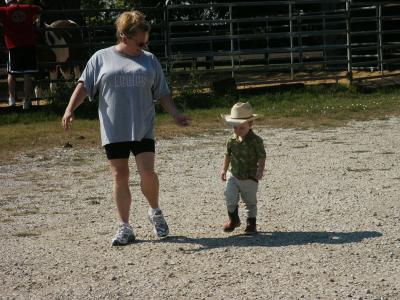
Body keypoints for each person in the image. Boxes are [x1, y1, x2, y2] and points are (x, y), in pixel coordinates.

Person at [62, 11, 190, 246]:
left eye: (146, 41)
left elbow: (162, 92)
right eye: (140, 41)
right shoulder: (101, 58)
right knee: (120, 175)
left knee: (147, 173)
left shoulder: (149, 60)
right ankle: (125, 227)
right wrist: (70, 109)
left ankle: (155, 211)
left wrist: (175, 114)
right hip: (114, 128)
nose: (145, 45)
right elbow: (84, 86)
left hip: (142, 125)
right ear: (123, 36)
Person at [220, 102, 266, 234]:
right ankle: (233, 220)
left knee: (250, 201)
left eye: (241, 128)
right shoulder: (231, 140)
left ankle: (251, 223)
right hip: (233, 175)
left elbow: (262, 156)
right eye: (235, 127)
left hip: (250, 176)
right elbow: (227, 155)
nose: (237, 131)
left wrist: (260, 170)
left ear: (250, 125)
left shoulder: (256, 141)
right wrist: (224, 169)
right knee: (229, 196)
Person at [0, 0, 41, 109]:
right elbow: (38, 9)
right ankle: (26, 102)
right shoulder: (27, 7)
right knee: (28, 74)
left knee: (11, 73)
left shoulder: (4, 11)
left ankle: (12, 99)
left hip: (14, 46)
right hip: (29, 45)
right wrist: (32, 20)